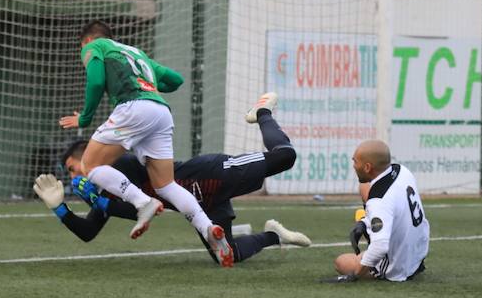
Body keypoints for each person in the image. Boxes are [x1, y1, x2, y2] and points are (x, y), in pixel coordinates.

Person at [36, 92, 311, 265]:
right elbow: (90, 232)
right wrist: (60, 209)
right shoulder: (106, 189)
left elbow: (143, 203)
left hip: (208, 176)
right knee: (229, 256)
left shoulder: (118, 162)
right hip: (202, 207)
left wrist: (99, 198)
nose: (75, 175)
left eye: (74, 167)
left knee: (285, 156)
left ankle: (263, 111)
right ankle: (275, 235)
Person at [58, 20, 235, 267]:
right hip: (161, 112)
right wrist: (149, 83)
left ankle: (143, 202)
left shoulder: (94, 46)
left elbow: (96, 81)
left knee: (89, 165)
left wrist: (84, 118)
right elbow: (175, 80)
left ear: (87, 40)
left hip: (133, 107)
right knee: (166, 185)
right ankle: (209, 229)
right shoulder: (136, 53)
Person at [333, 140, 430, 282]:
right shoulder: (402, 171)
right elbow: (396, 207)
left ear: (367, 167)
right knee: (365, 187)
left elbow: (380, 247)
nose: (353, 166)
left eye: (355, 162)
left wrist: (355, 275)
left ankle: (384, 270)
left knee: (341, 262)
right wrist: (364, 222)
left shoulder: (378, 201)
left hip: (399, 265)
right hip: (417, 252)